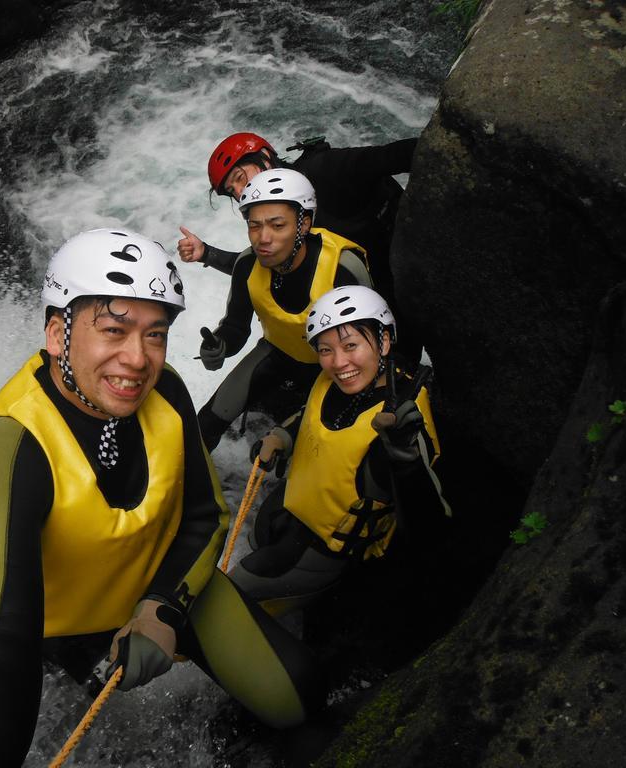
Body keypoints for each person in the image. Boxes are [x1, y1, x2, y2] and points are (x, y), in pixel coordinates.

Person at [0, 228, 322, 768]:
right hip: (60, 626)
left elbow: (205, 517)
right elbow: (4, 647)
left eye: (155, 335)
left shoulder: (167, 390)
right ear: (57, 333)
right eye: (114, 331)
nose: (138, 359)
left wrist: (162, 607)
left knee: (299, 694)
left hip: (161, 582)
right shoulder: (12, 446)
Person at [228, 285, 450, 615]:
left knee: (232, 589)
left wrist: (404, 459)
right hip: (293, 508)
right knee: (261, 537)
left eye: (350, 346)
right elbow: (311, 417)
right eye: (326, 350)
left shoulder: (399, 421)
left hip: (325, 550)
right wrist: (280, 438)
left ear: (384, 341)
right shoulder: (336, 381)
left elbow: (428, 525)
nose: (338, 362)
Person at [196, 167, 373, 452]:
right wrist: (220, 345)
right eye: (254, 226)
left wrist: (288, 432)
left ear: (304, 225)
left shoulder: (341, 270)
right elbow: (237, 327)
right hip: (277, 352)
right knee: (203, 427)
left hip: (334, 366)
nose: (262, 239)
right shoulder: (246, 265)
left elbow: (367, 355)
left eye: (278, 226)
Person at [177, 132, 415, 296]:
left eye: (240, 178)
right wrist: (206, 254)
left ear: (266, 158)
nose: (240, 192)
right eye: (232, 191)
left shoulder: (324, 169)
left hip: (411, 268)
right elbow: (262, 263)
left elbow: (394, 155)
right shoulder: (274, 215)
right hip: (369, 292)